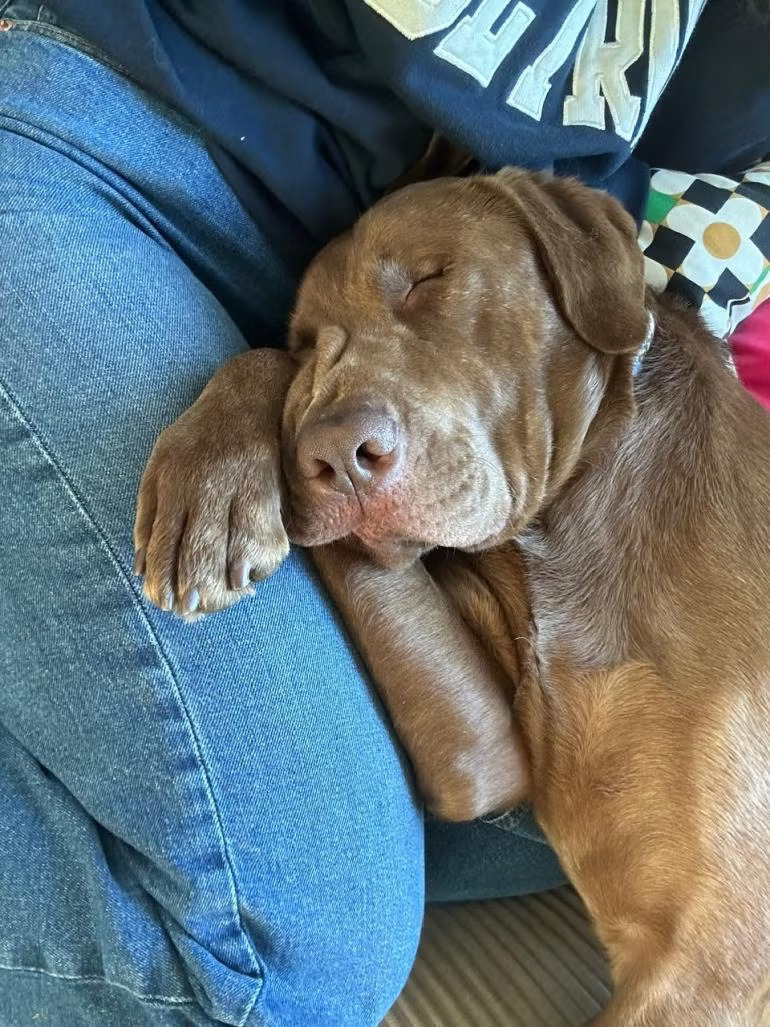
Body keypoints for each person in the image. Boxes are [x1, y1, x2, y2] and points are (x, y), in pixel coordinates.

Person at [0, 2, 767, 1024]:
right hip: (109, 140)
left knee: (521, 825)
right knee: (274, 958)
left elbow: (480, 769)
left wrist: (319, 451)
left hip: (350, 316)